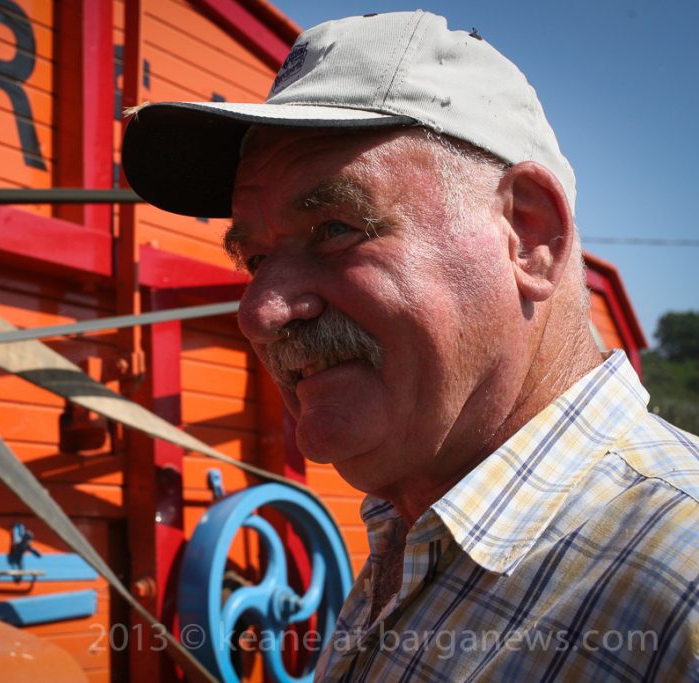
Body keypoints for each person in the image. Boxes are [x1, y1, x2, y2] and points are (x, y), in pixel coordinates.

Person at [121, 10, 699, 682]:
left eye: (335, 228)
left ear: (530, 235)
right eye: (252, 258)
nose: (258, 311)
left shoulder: (679, 585)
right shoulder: (417, 525)